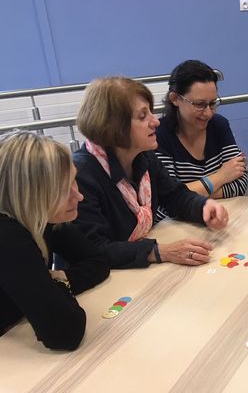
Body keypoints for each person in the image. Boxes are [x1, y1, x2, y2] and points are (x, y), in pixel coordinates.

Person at [73, 76, 228, 269]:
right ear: (113, 126)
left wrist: (203, 207)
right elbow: (94, 249)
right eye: (142, 116)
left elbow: (174, 196)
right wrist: (158, 251)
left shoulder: (144, 157)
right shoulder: (81, 174)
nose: (155, 122)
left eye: (151, 113)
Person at [0, 131, 109, 350]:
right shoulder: (8, 236)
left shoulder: (41, 217)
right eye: (61, 190)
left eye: (73, 181)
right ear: (28, 194)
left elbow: (97, 261)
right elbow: (65, 333)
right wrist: (52, 286)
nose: (78, 196)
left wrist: (56, 282)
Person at [155, 59, 247, 214]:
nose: (208, 113)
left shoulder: (219, 125)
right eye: (199, 104)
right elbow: (165, 203)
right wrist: (221, 176)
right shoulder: (159, 135)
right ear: (175, 99)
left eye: (212, 103)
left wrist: (189, 196)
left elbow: (240, 184)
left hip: (218, 217)